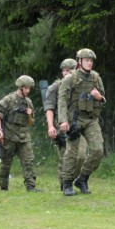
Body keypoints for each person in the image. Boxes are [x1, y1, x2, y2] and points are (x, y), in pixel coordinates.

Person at [57, 48, 106, 196]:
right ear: (79, 61)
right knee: (73, 153)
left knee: (98, 150)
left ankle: (82, 179)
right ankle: (66, 183)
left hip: (91, 120)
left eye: (91, 61)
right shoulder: (70, 78)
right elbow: (62, 100)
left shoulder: (96, 78)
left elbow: (103, 99)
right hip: (75, 121)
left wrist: (99, 97)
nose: (89, 63)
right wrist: (63, 121)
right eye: (86, 60)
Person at [44, 58, 85, 189]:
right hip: (60, 126)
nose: (66, 73)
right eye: (64, 71)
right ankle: (64, 184)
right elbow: (49, 108)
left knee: (81, 157)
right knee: (65, 157)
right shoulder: (54, 88)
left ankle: (71, 180)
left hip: (78, 125)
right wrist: (51, 126)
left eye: (69, 70)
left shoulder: (80, 86)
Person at [0, 75, 40, 192]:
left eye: (29, 88)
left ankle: (31, 186)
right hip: (9, 136)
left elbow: (31, 122)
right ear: (20, 87)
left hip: (24, 136)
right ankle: (3, 187)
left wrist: (29, 114)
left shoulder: (28, 102)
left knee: (29, 161)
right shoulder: (8, 100)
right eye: (26, 88)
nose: (28, 91)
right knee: (6, 163)